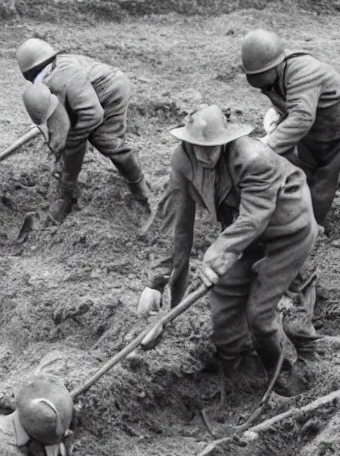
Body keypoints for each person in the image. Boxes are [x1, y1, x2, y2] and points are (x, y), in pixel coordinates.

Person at [136, 105, 319, 398]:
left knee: (259, 313)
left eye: (213, 148)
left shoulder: (253, 158)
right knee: (224, 297)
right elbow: (176, 221)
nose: (206, 155)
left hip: (288, 232)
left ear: (226, 140)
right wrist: (157, 281)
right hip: (241, 235)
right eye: (199, 148)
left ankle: (285, 375)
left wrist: (215, 257)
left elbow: (254, 217)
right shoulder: (182, 160)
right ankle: (242, 372)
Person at [241, 29, 340, 355]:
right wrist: (274, 121)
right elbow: (289, 116)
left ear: (276, 65)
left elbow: (300, 118)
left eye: (265, 81)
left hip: (333, 144)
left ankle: (302, 313)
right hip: (311, 144)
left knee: (309, 219)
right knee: (285, 198)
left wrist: (265, 146)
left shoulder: (302, 71)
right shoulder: (274, 77)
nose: (265, 88)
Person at [17, 37, 150, 224]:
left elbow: (92, 115)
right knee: (72, 138)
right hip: (89, 94)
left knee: (105, 140)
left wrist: (73, 140)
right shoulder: (50, 74)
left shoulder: (62, 77)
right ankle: (66, 190)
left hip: (111, 91)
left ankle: (141, 189)